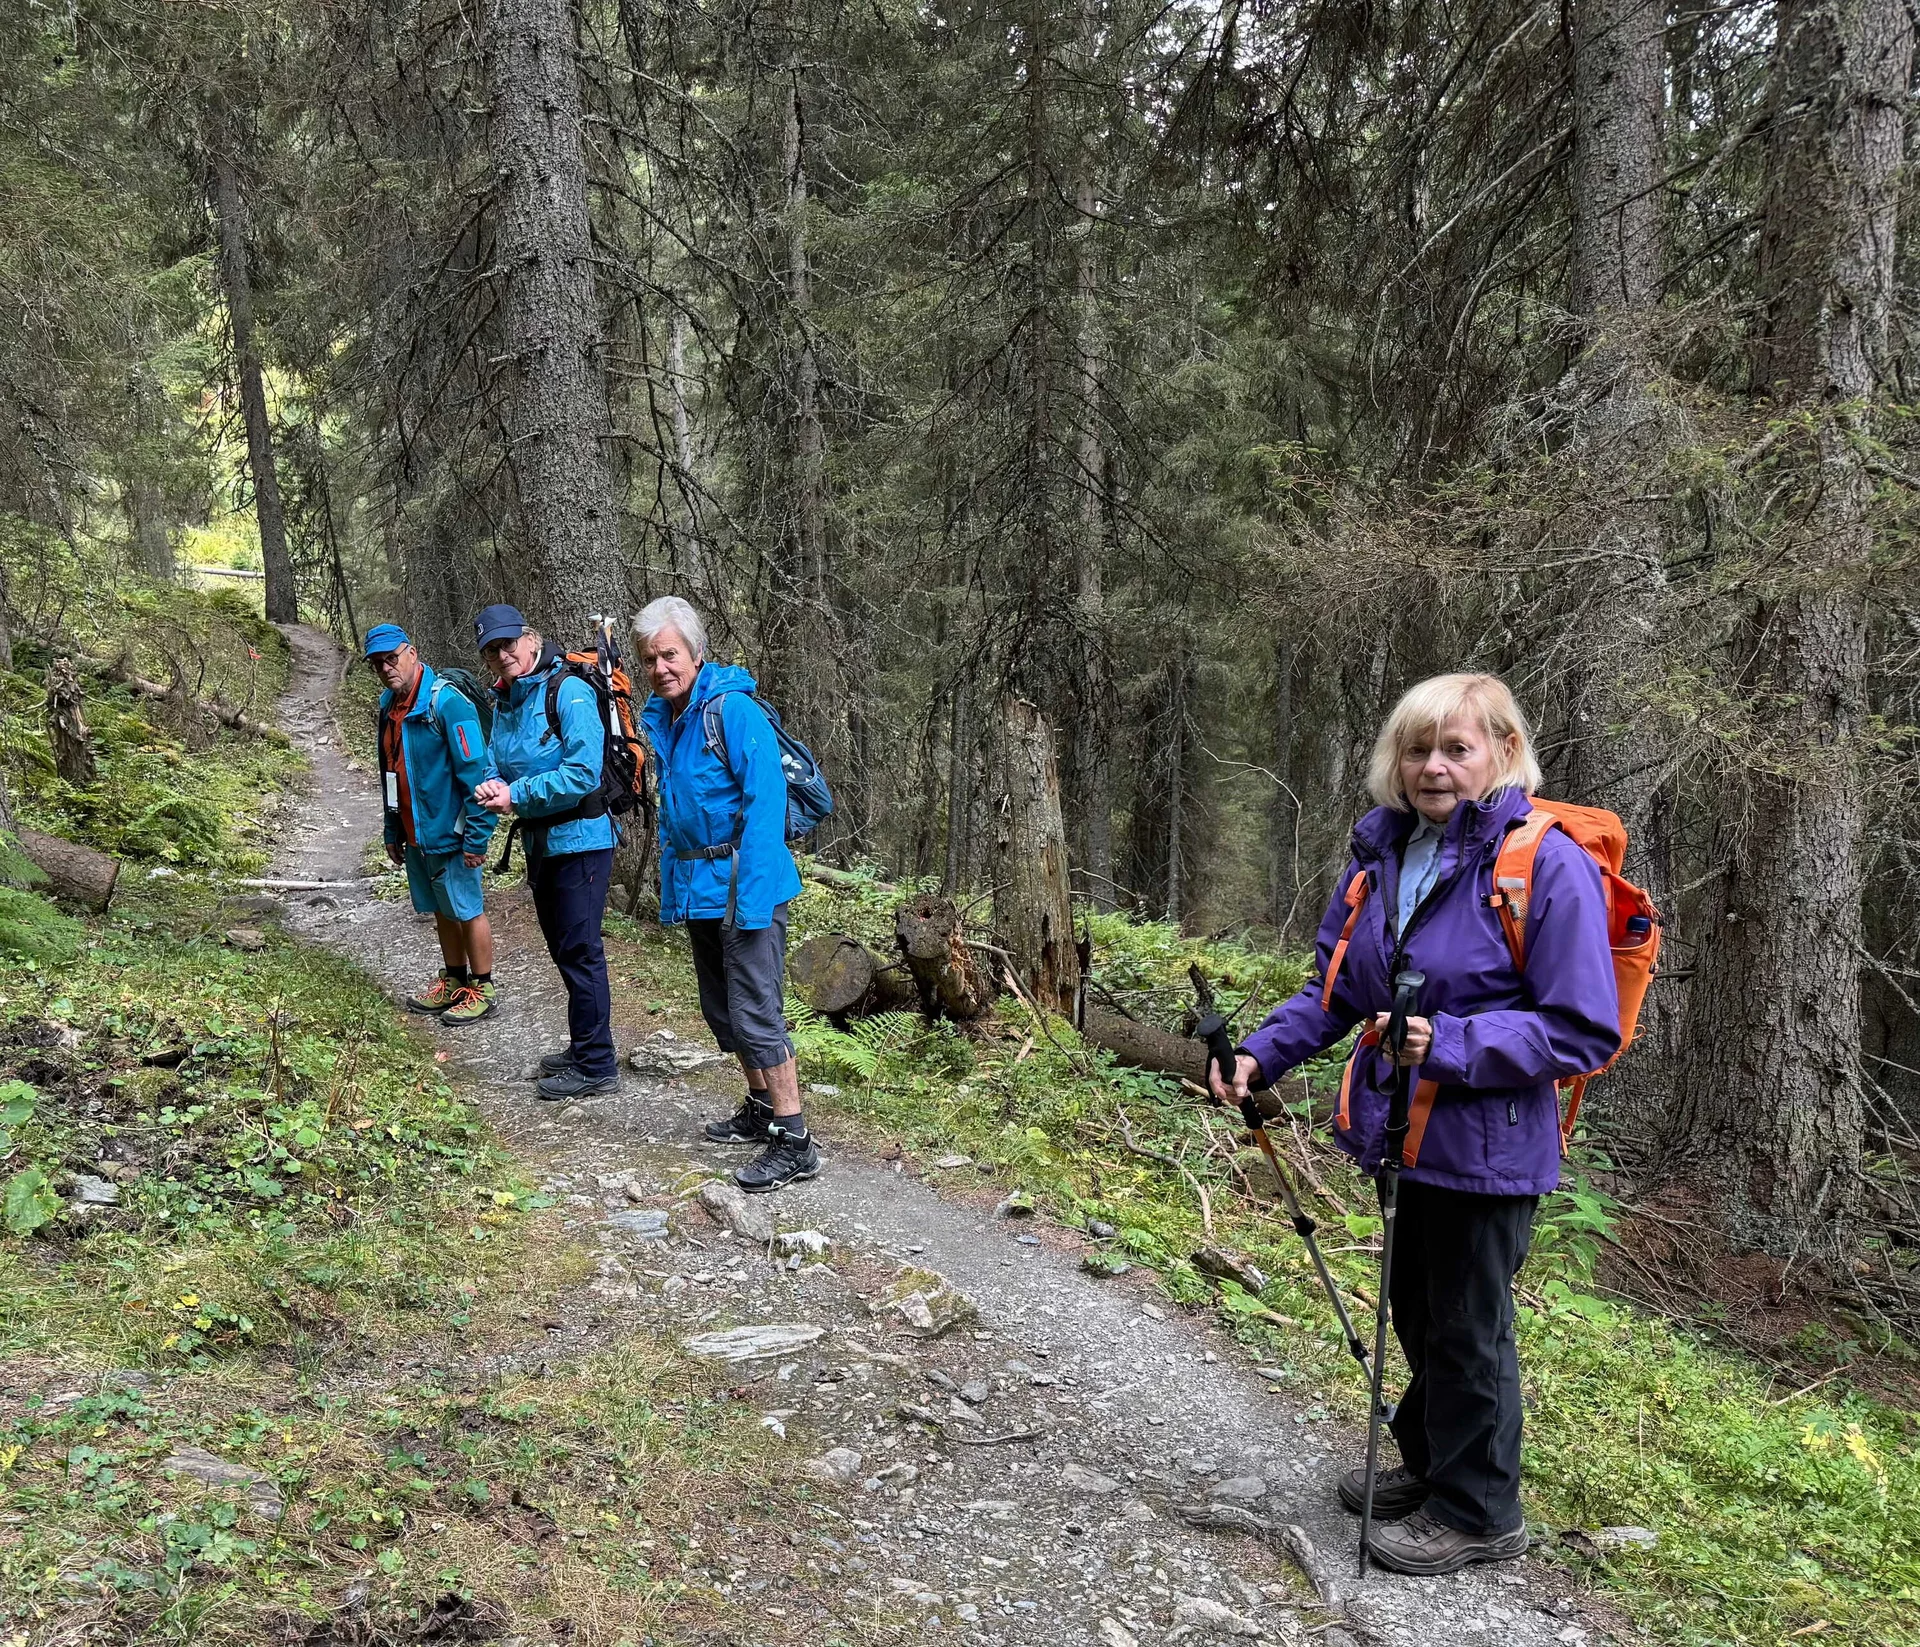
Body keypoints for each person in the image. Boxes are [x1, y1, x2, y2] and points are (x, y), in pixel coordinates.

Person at [1213, 673, 1619, 1576]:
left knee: (1470, 1324)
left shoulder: (1543, 865)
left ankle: (1480, 1511)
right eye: (1417, 748)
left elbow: (1584, 1025)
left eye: (1455, 747)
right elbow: (1335, 990)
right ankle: (1434, 1464)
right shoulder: (1386, 857)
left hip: (1491, 1141)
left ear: (1502, 753)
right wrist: (1258, 1055)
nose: (1432, 766)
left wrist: (1451, 1042)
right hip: (1403, 1134)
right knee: (1419, 1309)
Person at [634, 596, 813, 1194]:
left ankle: (794, 1139)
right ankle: (761, 1107)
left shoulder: (732, 712)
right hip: (701, 889)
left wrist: (757, 901)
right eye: (651, 658)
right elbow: (678, 816)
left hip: (746, 887)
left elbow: (766, 808)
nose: (660, 667)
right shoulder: (668, 719)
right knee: (722, 1012)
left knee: (757, 1013)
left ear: (696, 653)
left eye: (670, 654)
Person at [470, 604, 621, 1101]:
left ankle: (597, 1064)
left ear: (530, 639)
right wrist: (492, 785)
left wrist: (517, 795)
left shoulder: (569, 691)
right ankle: (585, 1047)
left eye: (508, 643)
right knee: (563, 950)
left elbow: (583, 775)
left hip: (581, 841)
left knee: (580, 951)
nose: (502, 654)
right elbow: (497, 760)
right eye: (492, 649)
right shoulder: (507, 701)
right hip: (541, 842)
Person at [366, 622, 498, 1025]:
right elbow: (389, 771)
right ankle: (455, 979)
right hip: (416, 833)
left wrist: (476, 836)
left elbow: (478, 774)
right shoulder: (388, 708)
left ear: (412, 652)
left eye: (392, 658)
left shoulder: (447, 703)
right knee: (443, 910)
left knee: (468, 908)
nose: (387, 668)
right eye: (378, 663)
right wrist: (393, 829)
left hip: (452, 832)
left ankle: (484, 987)